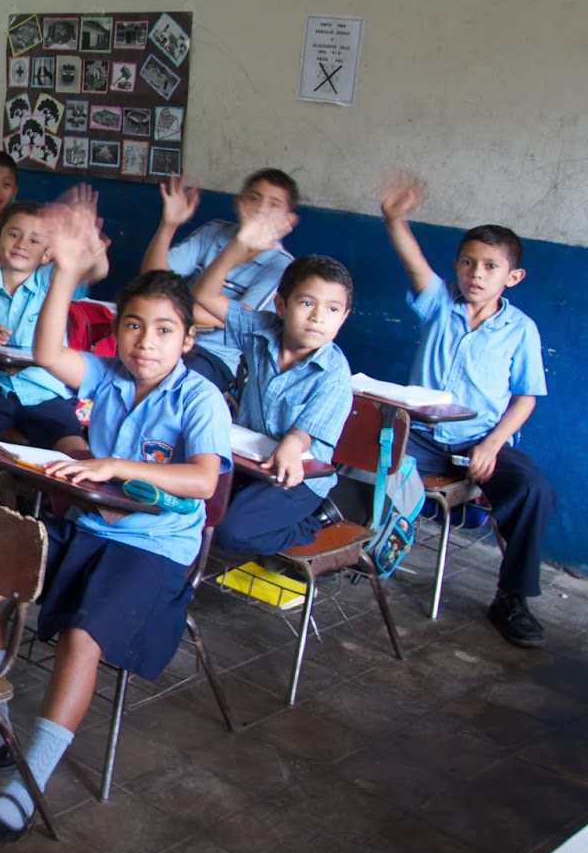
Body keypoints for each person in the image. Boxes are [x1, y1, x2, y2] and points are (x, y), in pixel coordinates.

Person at [0, 200, 229, 844]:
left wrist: (111, 464)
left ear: (188, 340)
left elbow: (203, 479)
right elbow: (47, 350)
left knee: (81, 638)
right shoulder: (108, 373)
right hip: (89, 530)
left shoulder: (199, 396)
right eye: (134, 327)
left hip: (154, 550)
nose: (146, 343)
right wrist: (64, 267)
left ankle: (31, 775)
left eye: (165, 331)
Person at [380, 172, 554, 649]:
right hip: (420, 434)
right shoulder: (439, 304)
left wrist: (493, 443)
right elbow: (413, 262)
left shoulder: (521, 330)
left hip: (480, 441)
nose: (477, 274)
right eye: (469, 263)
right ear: (456, 266)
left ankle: (512, 598)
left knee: (533, 489)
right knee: (359, 449)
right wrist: (395, 218)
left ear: (511, 277)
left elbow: (526, 397)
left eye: (491, 266)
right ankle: (364, 550)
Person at [191, 208, 354, 554]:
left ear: (344, 318)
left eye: (332, 309)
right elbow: (204, 295)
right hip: (248, 460)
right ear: (281, 305)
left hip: (298, 476)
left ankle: (313, 521)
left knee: (232, 531)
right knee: (195, 503)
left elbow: (304, 434)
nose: (317, 318)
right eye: (306, 302)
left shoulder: (335, 372)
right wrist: (239, 245)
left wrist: (292, 446)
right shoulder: (261, 329)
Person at [0, 197, 109, 500]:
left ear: (48, 254)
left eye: (35, 240)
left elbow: (96, 271)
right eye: (14, 234)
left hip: (47, 393)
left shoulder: (53, 279)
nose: (22, 244)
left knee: (75, 450)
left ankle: (60, 508)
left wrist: (90, 242)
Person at [141, 170, 299, 389]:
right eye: (254, 198)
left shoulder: (281, 268)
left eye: (274, 204)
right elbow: (151, 280)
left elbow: (237, 320)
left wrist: (160, 308)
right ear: (238, 203)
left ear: (288, 221)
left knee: (171, 387)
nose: (261, 209)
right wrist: (169, 224)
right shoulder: (214, 232)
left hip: (215, 356)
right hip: (163, 338)